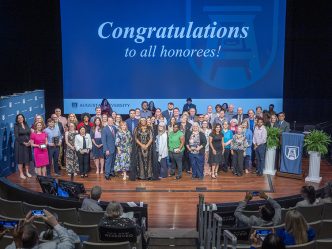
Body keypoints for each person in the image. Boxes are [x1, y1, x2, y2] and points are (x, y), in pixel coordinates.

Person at [5, 210, 75, 249]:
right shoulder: (52, 247)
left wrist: (24, 225)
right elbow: (69, 245)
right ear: (38, 238)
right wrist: (56, 224)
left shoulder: (9, 248)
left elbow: (18, 239)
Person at [14, 114, 32, 179]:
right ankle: (21, 173)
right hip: (20, 144)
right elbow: (16, 136)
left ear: (23, 118)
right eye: (19, 118)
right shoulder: (16, 125)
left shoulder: (26, 124)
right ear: (17, 119)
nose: (20, 118)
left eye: (21, 117)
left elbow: (30, 133)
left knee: (27, 158)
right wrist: (24, 143)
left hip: (28, 144)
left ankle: (27, 172)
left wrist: (30, 141)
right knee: (20, 159)